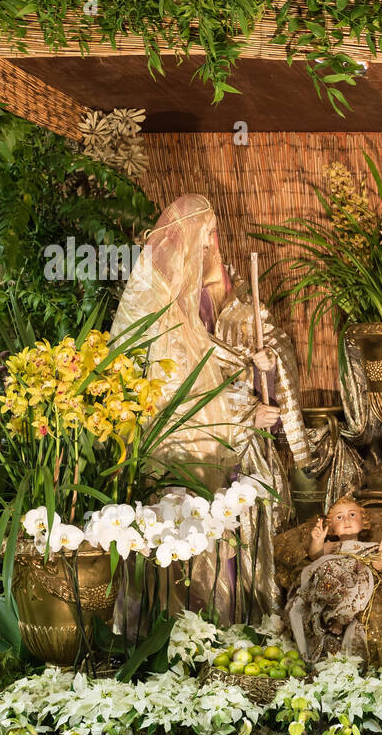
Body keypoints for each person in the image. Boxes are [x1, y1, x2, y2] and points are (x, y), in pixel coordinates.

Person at [111, 194, 310, 624]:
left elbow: (217, 375)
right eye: (205, 242)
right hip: (182, 458)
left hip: (210, 454)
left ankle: (216, 636)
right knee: (182, 544)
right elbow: (177, 401)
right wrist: (242, 422)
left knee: (214, 536)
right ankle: (183, 639)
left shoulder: (198, 302)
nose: (213, 250)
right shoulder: (158, 315)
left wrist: (262, 372)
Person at [280, 496, 382, 667]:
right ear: (332, 527)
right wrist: (317, 540)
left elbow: (375, 567)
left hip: (360, 578)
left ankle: (342, 618)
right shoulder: (333, 547)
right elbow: (315, 556)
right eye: (339, 517)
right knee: (326, 569)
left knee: (360, 580)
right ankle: (333, 615)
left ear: (364, 522)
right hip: (334, 581)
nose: (346, 520)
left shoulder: (370, 546)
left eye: (352, 515)